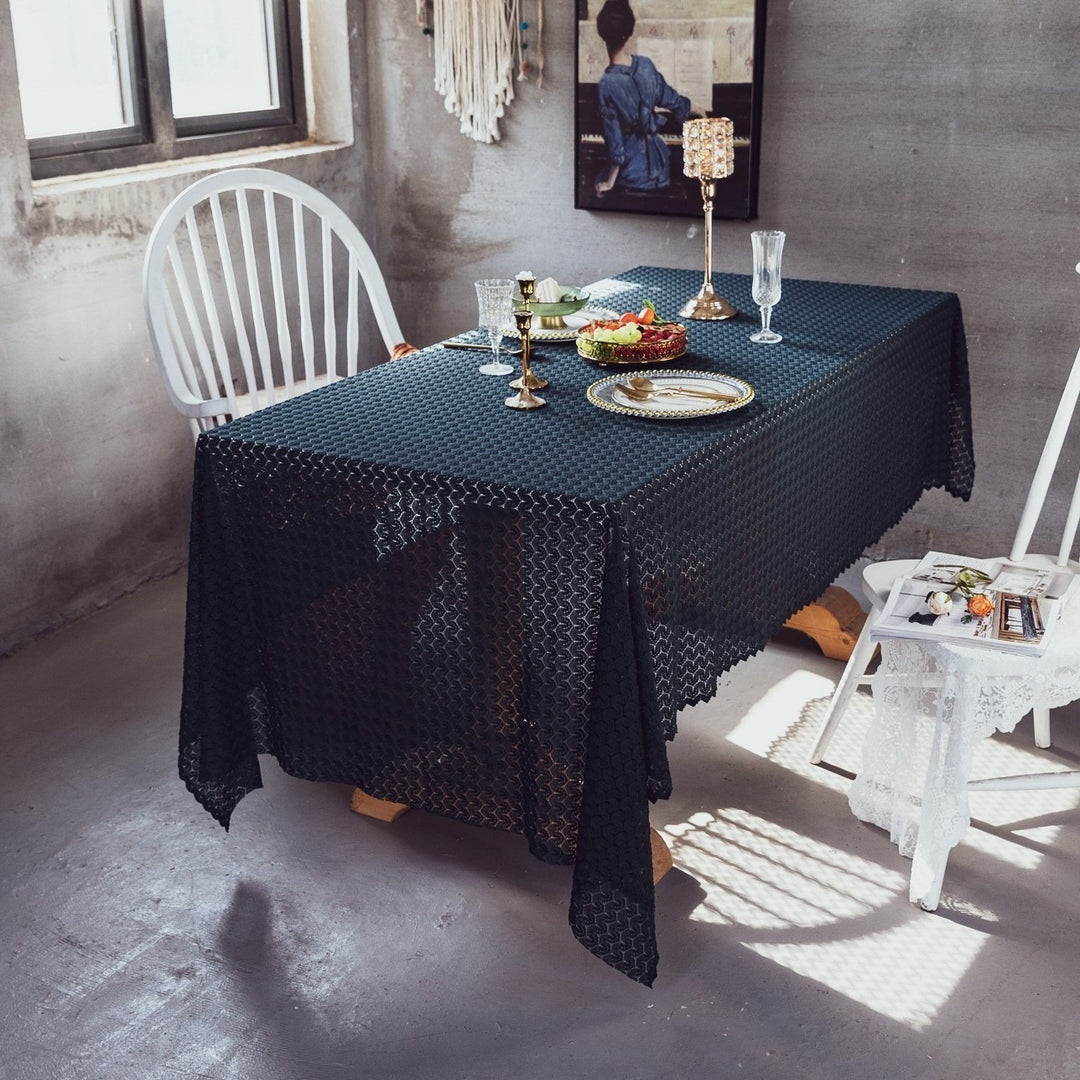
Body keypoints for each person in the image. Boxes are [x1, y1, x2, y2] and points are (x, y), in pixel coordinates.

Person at [593, 0, 696, 197]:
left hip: (633, 172)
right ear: (629, 32)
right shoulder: (646, 65)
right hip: (661, 168)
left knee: (598, 179)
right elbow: (674, 100)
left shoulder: (606, 84)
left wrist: (609, 182)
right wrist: (696, 109)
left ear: (602, 34)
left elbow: (616, 143)